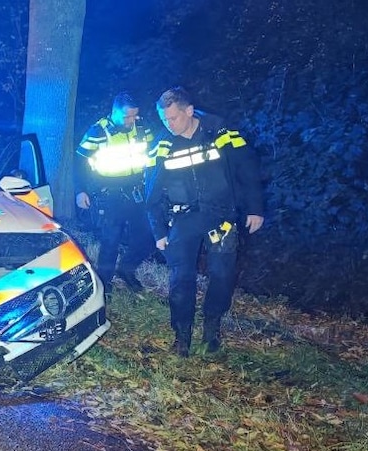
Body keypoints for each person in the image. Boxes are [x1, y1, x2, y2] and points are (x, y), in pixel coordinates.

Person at [145, 86, 265, 356]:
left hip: (220, 216)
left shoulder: (221, 134)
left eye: (173, 118)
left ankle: (211, 330)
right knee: (180, 279)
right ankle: (182, 336)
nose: (168, 124)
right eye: (164, 119)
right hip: (183, 218)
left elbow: (248, 169)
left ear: (189, 111)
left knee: (222, 275)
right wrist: (158, 231)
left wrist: (255, 208)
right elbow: (150, 193)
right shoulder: (162, 145)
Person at [76, 93, 155, 298]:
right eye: (128, 117)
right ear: (115, 112)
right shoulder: (98, 131)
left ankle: (127, 269)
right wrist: (80, 190)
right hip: (110, 193)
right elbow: (79, 161)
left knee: (146, 235)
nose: (132, 121)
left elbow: (155, 153)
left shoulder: (142, 128)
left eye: (135, 116)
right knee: (111, 239)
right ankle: (104, 282)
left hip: (138, 191)